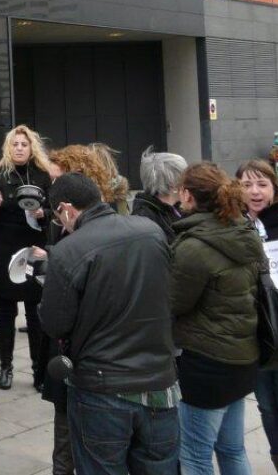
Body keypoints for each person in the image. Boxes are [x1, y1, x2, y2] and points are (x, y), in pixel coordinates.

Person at [38, 173, 178, 475]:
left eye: (58, 217)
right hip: (160, 383)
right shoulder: (151, 231)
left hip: (100, 388)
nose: (61, 225)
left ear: (66, 208)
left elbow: (55, 324)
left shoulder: (68, 250)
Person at [171, 162, 263, 475]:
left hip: (206, 364)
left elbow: (174, 303)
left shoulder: (194, 246)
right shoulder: (241, 231)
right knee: (232, 450)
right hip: (243, 357)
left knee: (195, 456)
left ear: (187, 194)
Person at [0, 124, 52, 391]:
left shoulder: (43, 174)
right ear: (8, 148)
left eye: (24, 144)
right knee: (5, 312)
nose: (20, 148)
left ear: (31, 147)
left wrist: (43, 212)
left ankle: (38, 370)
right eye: (15, 144)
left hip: (34, 248)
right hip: (4, 248)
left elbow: (53, 207)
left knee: (36, 312)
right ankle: (6, 368)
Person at [238, 159, 278, 473]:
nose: (255, 192)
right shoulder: (234, 225)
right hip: (252, 333)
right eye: (246, 185)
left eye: (262, 184)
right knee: (267, 407)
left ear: (274, 188)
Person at [132, 147, 187, 243]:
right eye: (185, 177)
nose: (189, 183)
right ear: (173, 184)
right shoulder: (144, 217)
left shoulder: (181, 208)